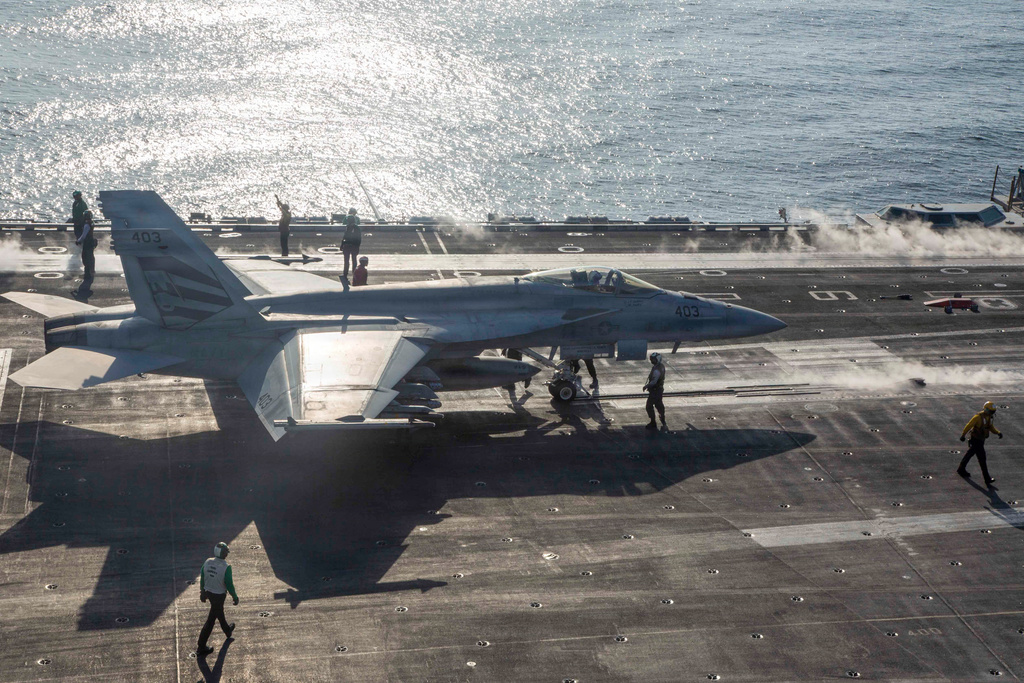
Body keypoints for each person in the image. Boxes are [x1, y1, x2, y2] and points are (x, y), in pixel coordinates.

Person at [197, 542, 238, 658]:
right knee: (210, 621)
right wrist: (235, 597)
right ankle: (201, 646)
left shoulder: (207, 561)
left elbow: (203, 577)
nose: (227, 554)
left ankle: (227, 630)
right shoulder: (226, 567)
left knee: (219, 612)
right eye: (226, 552)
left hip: (209, 593)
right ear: (223, 553)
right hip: (219, 596)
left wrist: (202, 592)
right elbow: (229, 585)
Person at [957, 401, 1003, 485]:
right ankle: (987, 478)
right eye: (990, 411)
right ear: (985, 409)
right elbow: (969, 425)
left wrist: (998, 432)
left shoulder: (989, 417)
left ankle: (961, 469)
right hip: (976, 440)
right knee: (982, 459)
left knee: (970, 455)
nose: (991, 413)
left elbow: (990, 427)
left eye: (992, 412)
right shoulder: (978, 417)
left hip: (981, 440)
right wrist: (963, 435)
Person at [642, 352, 667, 432]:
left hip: (655, 391)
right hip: (659, 390)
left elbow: (653, 382)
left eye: (653, 359)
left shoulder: (656, 370)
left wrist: (646, 386)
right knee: (659, 405)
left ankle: (653, 423)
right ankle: (662, 419)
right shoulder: (661, 366)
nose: (652, 361)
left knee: (649, 406)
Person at [76, 209, 96, 277]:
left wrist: (78, 241)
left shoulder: (87, 225)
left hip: (87, 243)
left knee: (85, 257)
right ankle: (92, 270)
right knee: (91, 256)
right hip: (91, 241)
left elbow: (84, 235)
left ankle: (87, 273)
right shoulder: (91, 223)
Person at [342, 208, 361, 278]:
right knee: (352, 260)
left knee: (348, 260)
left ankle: (346, 273)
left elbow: (345, 237)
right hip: (353, 246)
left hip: (349, 246)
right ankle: (351, 273)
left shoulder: (349, 227)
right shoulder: (356, 228)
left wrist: (342, 245)